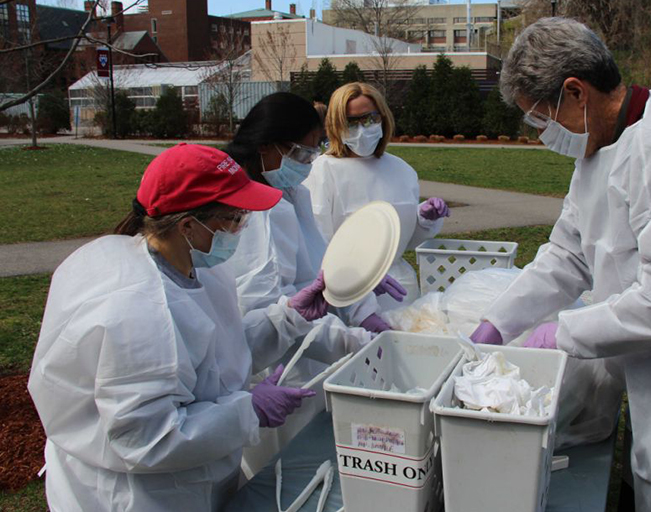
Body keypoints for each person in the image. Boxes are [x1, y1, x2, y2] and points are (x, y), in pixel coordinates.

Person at [470, 18, 651, 512]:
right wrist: (497, 323)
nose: (542, 134)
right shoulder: (598, 150)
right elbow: (565, 255)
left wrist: (560, 333)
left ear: (575, 92)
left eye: (540, 120)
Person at [28, 144, 330, 512]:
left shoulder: (196, 265)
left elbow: (216, 352)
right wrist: (248, 412)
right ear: (188, 225)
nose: (242, 228)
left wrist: (286, 318)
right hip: (137, 496)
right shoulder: (136, 310)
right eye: (235, 218)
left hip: (191, 479)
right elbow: (147, 438)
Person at [223, 93, 402, 473]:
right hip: (272, 370)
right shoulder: (251, 212)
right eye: (302, 153)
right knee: (280, 472)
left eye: (314, 149)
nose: (310, 162)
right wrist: (350, 339)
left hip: (304, 352)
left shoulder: (291, 193)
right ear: (269, 147)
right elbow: (267, 312)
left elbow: (321, 270)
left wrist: (360, 298)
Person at [304, 82, 451, 310]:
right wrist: (358, 280)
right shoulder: (323, 171)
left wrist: (424, 218)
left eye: (370, 119)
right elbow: (317, 244)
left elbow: (404, 242)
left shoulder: (401, 170)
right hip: (346, 294)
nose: (363, 129)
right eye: (352, 122)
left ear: (383, 118)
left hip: (400, 287)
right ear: (336, 125)